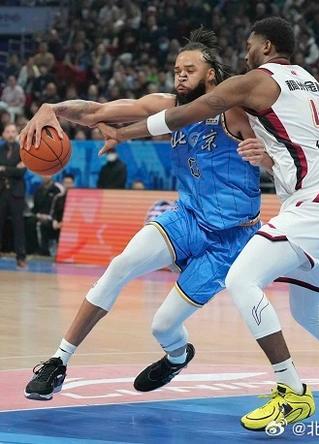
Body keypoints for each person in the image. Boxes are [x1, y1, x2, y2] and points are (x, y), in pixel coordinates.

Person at [97, 17, 319, 431]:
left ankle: (291, 392)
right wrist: (273, 156)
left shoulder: (255, 81)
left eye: (249, 44)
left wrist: (124, 134)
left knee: (241, 280)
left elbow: (188, 113)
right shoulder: (314, 86)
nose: (245, 52)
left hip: (314, 205)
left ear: (265, 46)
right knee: (309, 313)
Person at [21, 29, 264, 401]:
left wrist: (267, 156)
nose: (180, 76)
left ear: (211, 74)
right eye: (177, 70)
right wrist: (52, 109)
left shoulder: (234, 111)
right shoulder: (166, 106)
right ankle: (58, 362)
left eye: (190, 70)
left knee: (163, 326)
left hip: (231, 237)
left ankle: (178, 356)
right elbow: (96, 112)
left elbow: (283, 147)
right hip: (187, 217)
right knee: (120, 265)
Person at [0, 123, 27, 268]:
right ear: (3, 134)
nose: (10, 134)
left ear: (17, 134)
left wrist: (4, 169)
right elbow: (16, 170)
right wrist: (13, 169)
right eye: (8, 131)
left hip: (17, 193)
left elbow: (21, 171)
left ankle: (21, 257)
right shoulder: (0, 150)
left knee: (18, 226)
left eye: (13, 131)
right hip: (2, 191)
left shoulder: (23, 150)